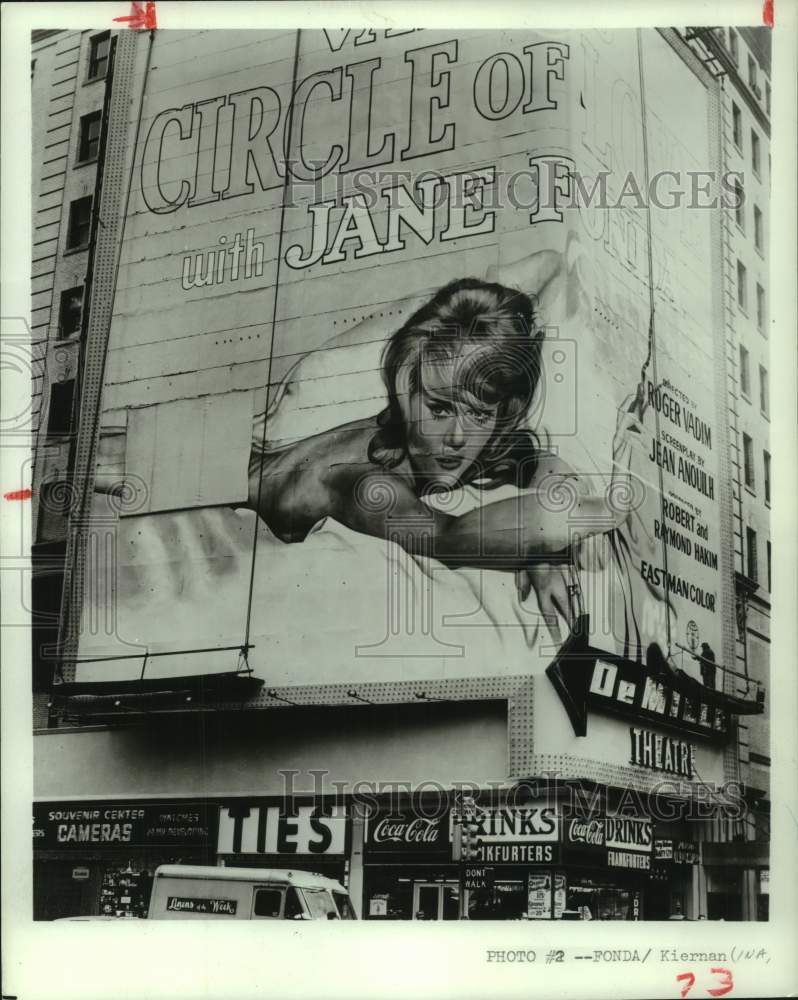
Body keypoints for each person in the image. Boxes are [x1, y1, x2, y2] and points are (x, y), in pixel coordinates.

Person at [247, 277, 643, 587]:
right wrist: (606, 511)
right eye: (439, 408)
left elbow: (536, 460)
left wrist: (539, 553)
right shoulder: (362, 484)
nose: (457, 436)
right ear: (407, 391)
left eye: (479, 414)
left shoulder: (442, 442)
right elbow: (452, 538)